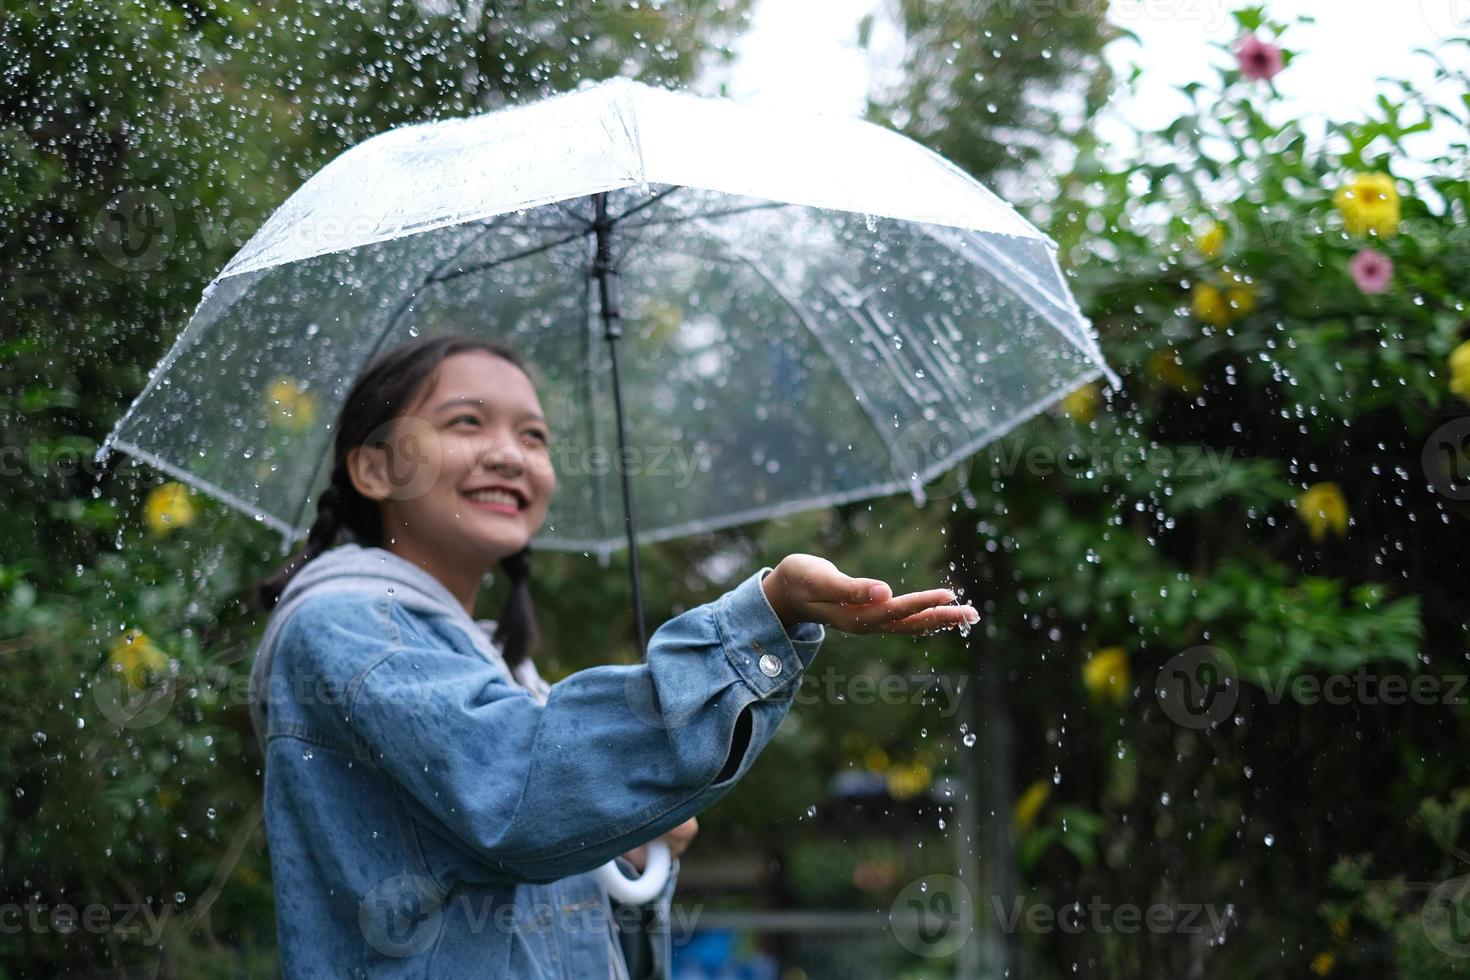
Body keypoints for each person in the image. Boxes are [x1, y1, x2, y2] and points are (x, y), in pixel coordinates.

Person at [247, 331, 978, 978]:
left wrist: (628, 859)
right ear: (374, 470)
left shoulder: (498, 670)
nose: (510, 453)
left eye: (534, 437)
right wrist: (766, 616)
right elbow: (517, 794)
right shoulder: (348, 627)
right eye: (466, 422)